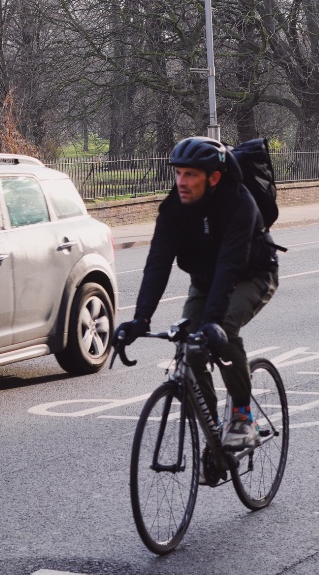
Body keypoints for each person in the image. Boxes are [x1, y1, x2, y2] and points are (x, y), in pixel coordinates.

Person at [115, 137, 279, 450]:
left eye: (190, 175)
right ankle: (215, 436)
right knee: (192, 349)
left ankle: (244, 418)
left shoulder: (239, 203)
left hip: (252, 275)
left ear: (213, 178)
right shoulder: (174, 208)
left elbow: (230, 266)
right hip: (204, 281)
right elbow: (157, 264)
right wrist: (140, 319)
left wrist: (214, 321)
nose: (181, 182)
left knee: (224, 331)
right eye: (178, 173)